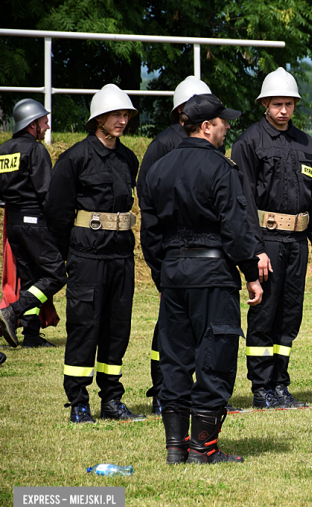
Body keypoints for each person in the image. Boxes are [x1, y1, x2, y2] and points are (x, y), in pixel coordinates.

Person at [140, 93, 262, 464]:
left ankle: (175, 449)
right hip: (213, 275)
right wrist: (251, 274)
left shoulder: (158, 168)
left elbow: (150, 232)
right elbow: (236, 229)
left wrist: (164, 274)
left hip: (174, 273)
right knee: (215, 356)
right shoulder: (222, 169)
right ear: (206, 126)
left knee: (175, 359)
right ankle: (203, 449)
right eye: (223, 121)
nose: (227, 126)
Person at [46, 84, 145, 424]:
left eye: (126, 115)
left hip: (121, 257)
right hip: (86, 258)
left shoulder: (128, 158)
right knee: (84, 328)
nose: (122, 120)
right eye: (116, 114)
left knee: (117, 329)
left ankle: (112, 399)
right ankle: (78, 402)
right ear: (98, 118)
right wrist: (65, 256)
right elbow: (57, 214)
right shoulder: (74, 158)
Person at [231, 68, 312, 410]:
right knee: (264, 315)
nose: (284, 110)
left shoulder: (305, 143)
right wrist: (255, 250)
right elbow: (242, 202)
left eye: (289, 104)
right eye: (277, 104)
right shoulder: (248, 143)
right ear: (265, 104)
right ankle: (261, 387)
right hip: (266, 241)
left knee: (290, 315)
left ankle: (280, 384)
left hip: (298, 243)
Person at [137, 76, 213, 415]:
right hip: (173, 253)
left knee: (193, 327)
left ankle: (183, 392)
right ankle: (161, 391)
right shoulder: (165, 145)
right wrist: (157, 266)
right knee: (168, 331)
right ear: (182, 110)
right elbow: (149, 201)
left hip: (197, 254)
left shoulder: (205, 142)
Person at [0, 99, 66, 348]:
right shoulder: (36, 151)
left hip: (13, 223)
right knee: (56, 275)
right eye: (44, 121)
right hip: (34, 221)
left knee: (30, 278)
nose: (47, 126)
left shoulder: (3, 150)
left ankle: (30, 335)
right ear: (32, 124)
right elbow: (47, 193)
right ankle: (12, 311)